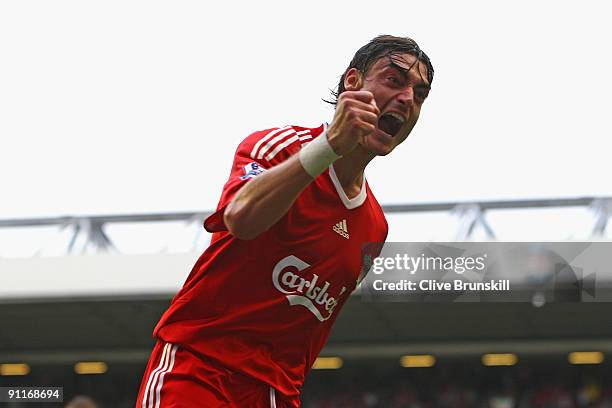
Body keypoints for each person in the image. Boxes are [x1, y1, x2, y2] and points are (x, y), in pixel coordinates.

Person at [136, 34, 434, 408]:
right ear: (353, 83)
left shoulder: (374, 228)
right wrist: (329, 149)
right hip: (201, 369)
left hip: (278, 394)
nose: (407, 99)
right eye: (394, 80)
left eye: (420, 94)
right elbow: (240, 219)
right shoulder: (278, 147)